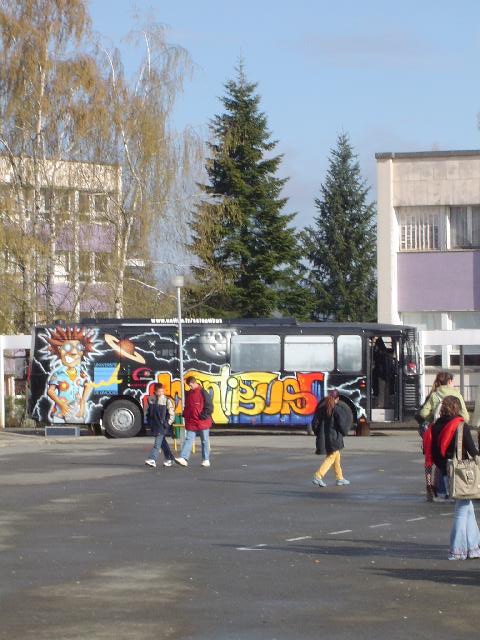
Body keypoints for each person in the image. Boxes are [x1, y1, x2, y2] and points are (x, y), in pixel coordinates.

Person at [423, 395, 480, 560]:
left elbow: (432, 453)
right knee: (462, 511)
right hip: (462, 475)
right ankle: (457, 549)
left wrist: (444, 468)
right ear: (457, 408)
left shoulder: (434, 427)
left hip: (446, 472)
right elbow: (472, 451)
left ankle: (474, 547)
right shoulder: (460, 426)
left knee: (468, 508)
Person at [417, 371, 470, 499]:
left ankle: (430, 486)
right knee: (451, 459)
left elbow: (423, 413)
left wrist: (433, 419)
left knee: (432, 459)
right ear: (449, 381)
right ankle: (451, 489)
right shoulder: (457, 395)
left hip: (436, 431)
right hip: (453, 432)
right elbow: (466, 417)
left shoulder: (434, 395)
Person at [311, 390, 351, 487]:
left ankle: (340, 478)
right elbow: (342, 424)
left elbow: (315, 423)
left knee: (336, 456)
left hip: (325, 437)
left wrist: (318, 433)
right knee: (332, 457)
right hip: (334, 437)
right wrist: (344, 433)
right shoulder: (337, 409)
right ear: (337, 398)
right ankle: (318, 476)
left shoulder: (321, 408)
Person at [175, 376, 214, 468]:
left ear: (194, 383)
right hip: (193, 421)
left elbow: (209, 406)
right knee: (189, 439)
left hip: (202, 421)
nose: (190, 387)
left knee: (204, 440)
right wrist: (185, 414)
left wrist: (203, 416)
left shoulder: (203, 392)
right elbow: (188, 406)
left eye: (190, 385)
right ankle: (184, 458)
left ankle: (206, 459)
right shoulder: (190, 393)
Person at [144, 383, 176, 468]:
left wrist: (167, 423)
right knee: (163, 443)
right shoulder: (151, 399)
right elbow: (146, 411)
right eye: (159, 391)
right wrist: (148, 422)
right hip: (154, 425)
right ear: (155, 391)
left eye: (162, 391)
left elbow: (172, 414)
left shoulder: (166, 400)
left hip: (162, 426)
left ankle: (152, 459)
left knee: (157, 444)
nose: (161, 393)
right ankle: (170, 459)